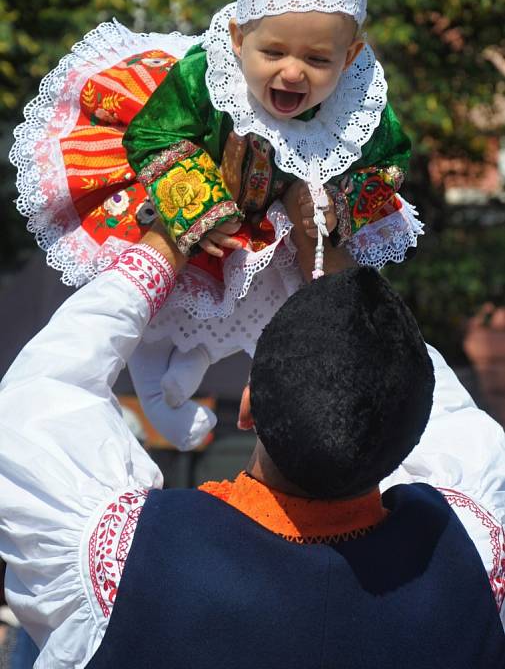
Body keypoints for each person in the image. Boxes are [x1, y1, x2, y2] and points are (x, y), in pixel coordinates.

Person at [0, 224, 504, 668]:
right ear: (409, 438)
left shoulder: (123, 561)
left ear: (247, 407)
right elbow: (429, 400)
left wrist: (168, 240)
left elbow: (39, 394)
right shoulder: (476, 558)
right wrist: (321, 256)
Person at [10, 0, 423, 450]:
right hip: (194, 198)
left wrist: (338, 209)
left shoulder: (360, 101)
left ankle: (189, 377)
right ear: (237, 39)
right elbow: (154, 131)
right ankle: (157, 395)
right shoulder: (206, 75)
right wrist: (198, 202)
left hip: (276, 221)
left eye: (318, 60)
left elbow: (389, 165)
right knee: (159, 295)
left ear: (349, 56)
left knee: (262, 305)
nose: (293, 72)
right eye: (272, 52)